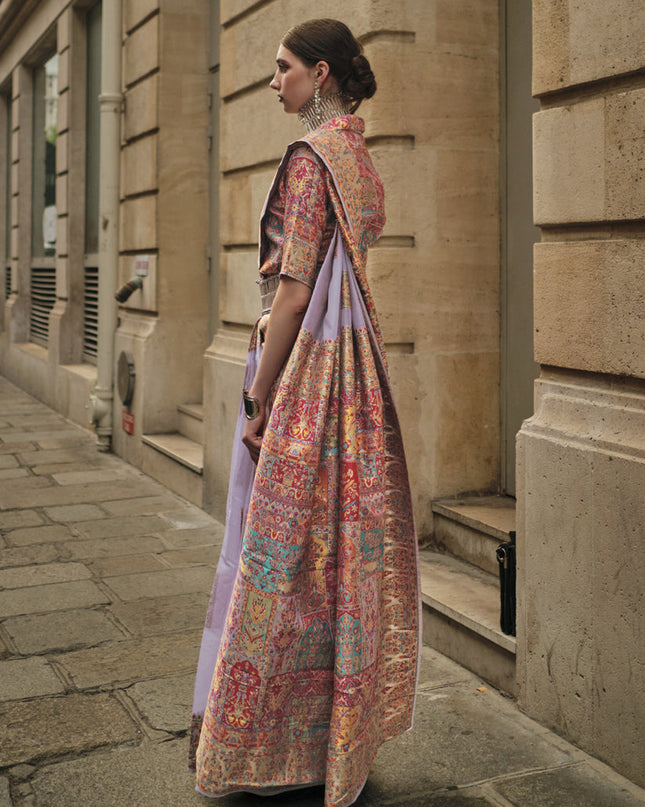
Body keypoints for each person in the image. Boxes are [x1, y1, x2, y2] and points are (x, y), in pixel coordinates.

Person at [190, 19, 420, 807]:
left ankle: (258, 746)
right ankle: (335, 742)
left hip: (309, 376)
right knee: (338, 561)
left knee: (279, 561)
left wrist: (259, 397)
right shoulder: (358, 159)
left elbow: (292, 290)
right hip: (357, 377)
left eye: (282, 67)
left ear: (319, 73)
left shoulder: (307, 160)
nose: (272, 80)